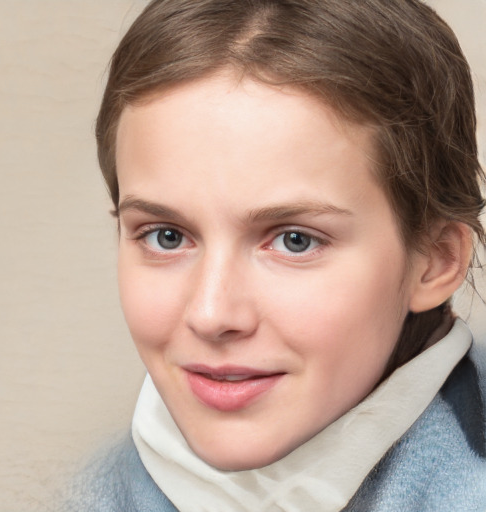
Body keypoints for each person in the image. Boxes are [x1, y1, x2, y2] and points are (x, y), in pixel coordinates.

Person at [66, 0, 486, 510]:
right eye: (166, 236)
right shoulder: (90, 487)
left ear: (435, 260)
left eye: (295, 240)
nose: (212, 314)